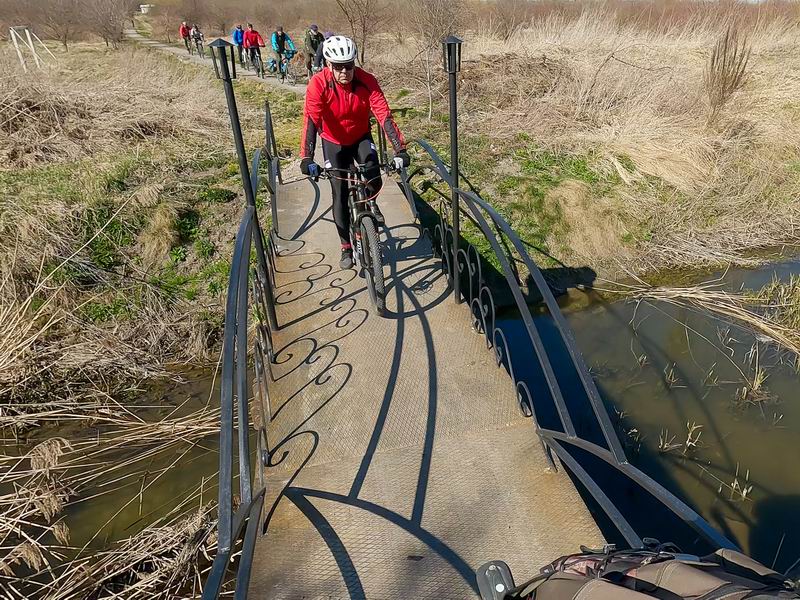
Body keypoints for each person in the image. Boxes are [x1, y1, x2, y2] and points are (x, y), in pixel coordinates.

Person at [299, 36, 411, 269]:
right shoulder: (318, 84)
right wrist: (307, 157)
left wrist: (400, 149)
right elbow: (311, 120)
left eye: (349, 65)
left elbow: (383, 115)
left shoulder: (366, 80)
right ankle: (346, 247)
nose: (344, 71)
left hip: (360, 136)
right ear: (328, 65)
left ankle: (371, 203)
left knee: (373, 173)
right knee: (339, 191)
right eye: (338, 66)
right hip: (334, 141)